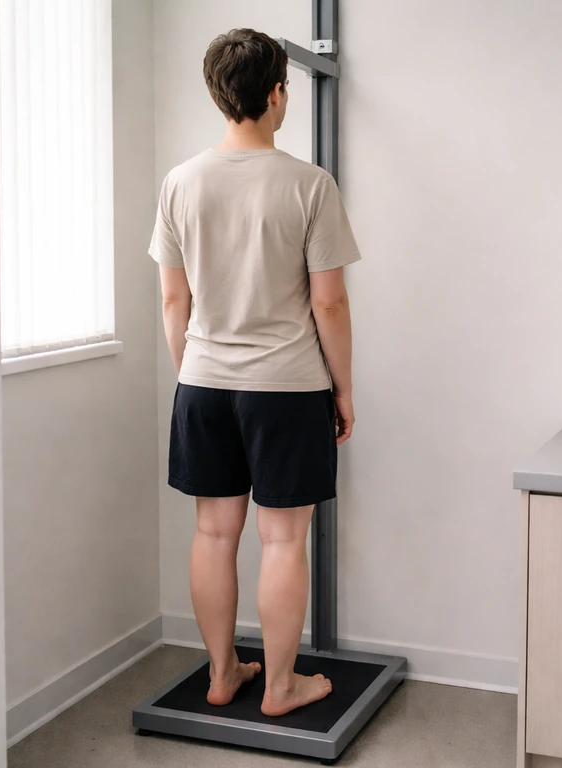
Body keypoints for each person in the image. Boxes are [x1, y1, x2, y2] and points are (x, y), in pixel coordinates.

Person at [148, 28, 360, 716]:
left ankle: (219, 674)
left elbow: (173, 298)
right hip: (287, 388)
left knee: (213, 532)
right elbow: (327, 300)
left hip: (203, 383)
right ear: (276, 94)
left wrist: (195, 372)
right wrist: (343, 388)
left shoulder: (181, 181)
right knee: (283, 537)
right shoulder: (309, 184)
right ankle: (278, 684)